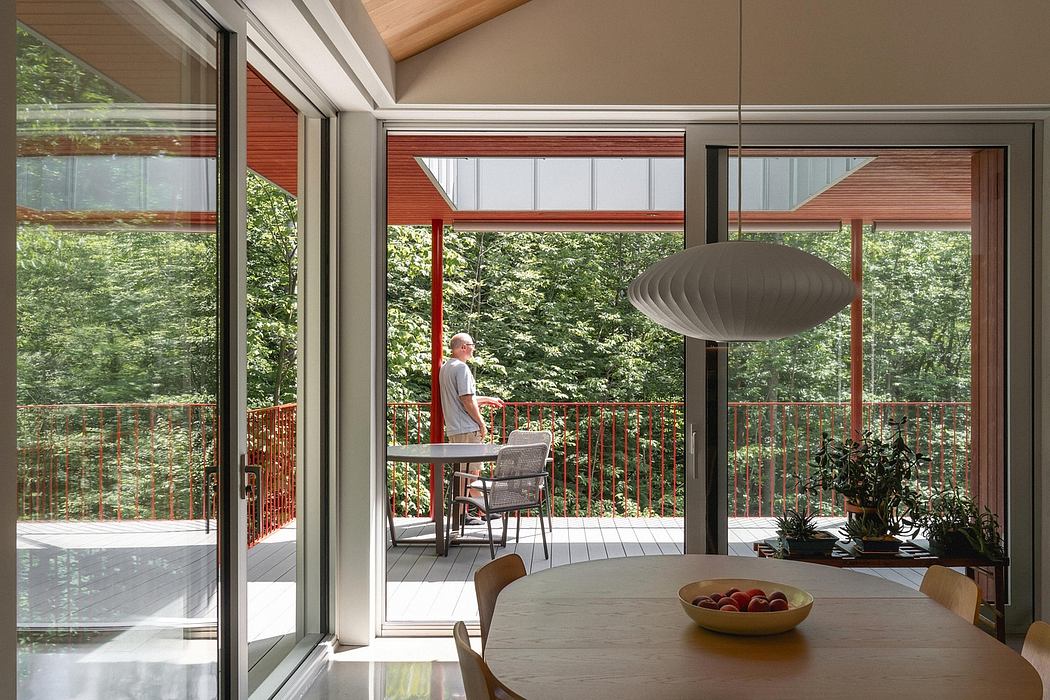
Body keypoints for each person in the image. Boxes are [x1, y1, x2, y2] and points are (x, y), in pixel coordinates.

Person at [439, 332, 504, 525]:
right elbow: (466, 399)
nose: (474, 348)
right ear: (463, 347)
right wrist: (481, 423)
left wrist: (487, 399)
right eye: (472, 344)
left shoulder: (446, 368)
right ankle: (462, 515)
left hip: (455, 428)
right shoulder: (462, 369)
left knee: (466, 472)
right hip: (467, 428)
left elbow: (462, 398)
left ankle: (480, 511)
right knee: (470, 473)